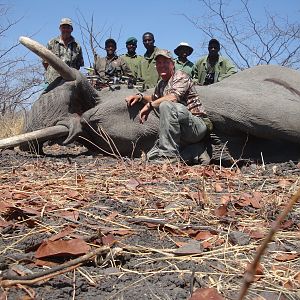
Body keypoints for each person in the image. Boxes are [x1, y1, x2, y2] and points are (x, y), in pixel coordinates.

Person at [126, 49, 212, 164]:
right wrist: (140, 97)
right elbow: (155, 99)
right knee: (150, 158)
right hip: (180, 131)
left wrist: (149, 106)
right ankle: (195, 151)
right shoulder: (161, 84)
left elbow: (173, 97)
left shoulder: (181, 75)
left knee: (166, 105)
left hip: (196, 126)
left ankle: (169, 157)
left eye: (165, 62)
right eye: (159, 63)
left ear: (173, 64)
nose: (162, 65)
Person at [43, 18, 84, 85]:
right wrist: (53, 73)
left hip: (70, 82)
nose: (65, 30)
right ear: (60, 29)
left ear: (71, 29)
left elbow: (78, 66)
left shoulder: (77, 46)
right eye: (63, 27)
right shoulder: (51, 43)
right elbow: (45, 62)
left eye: (68, 27)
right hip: (52, 80)